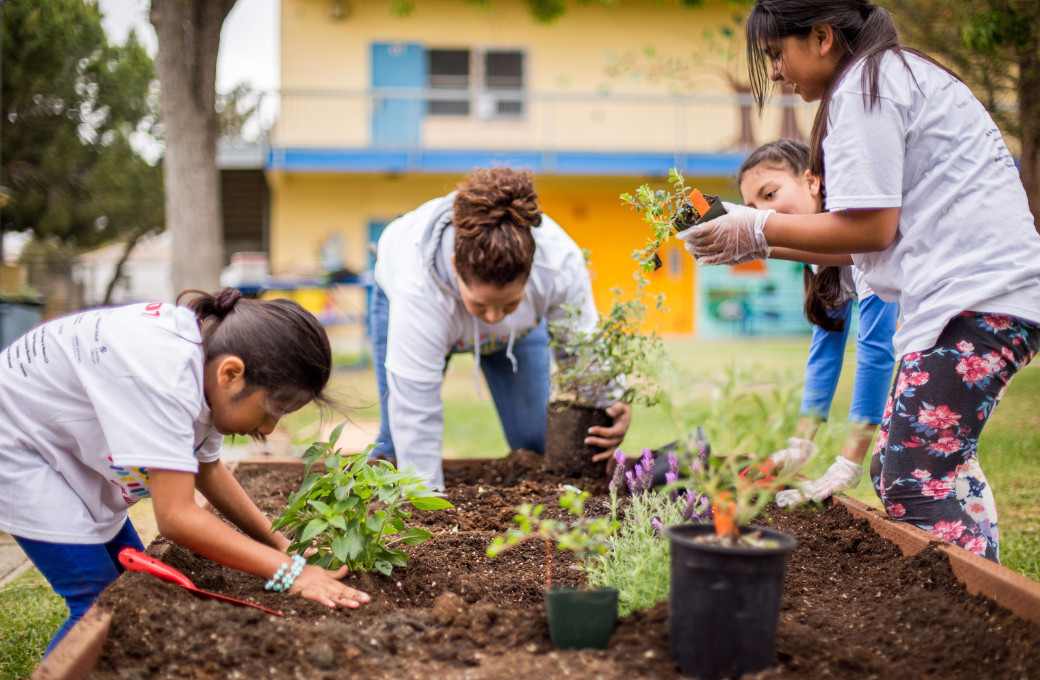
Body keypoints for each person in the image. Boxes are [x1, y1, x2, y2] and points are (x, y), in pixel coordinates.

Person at [678, 0, 1040, 562]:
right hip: (982, 295)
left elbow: (870, 229)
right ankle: (985, 582)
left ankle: (969, 599)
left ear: (822, 37)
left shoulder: (864, 88)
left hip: (978, 297)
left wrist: (756, 227)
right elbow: (868, 240)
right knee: (911, 463)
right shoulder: (887, 76)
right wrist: (754, 240)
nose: (775, 71)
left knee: (913, 479)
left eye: (776, 53)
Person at [0, 289, 370, 655]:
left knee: (135, 587)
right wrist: (289, 571)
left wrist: (281, 545)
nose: (270, 429)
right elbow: (177, 518)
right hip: (16, 443)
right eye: (272, 410)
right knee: (99, 607)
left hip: (52, 441)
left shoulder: (206, 367)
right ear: (231, 373)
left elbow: (207, 471)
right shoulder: (167, 378)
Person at [369, 167, 631, 489]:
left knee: (536, 442)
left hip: (517, 337)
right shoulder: (416, 288)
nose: (492, 318)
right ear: (455, 265)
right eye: (479, 305)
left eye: (509, 304)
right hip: (410, 303)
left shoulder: (559, 263)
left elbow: (583, 348)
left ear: (531, 271)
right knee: (397, 446)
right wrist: (425, 503)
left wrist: (609, 399)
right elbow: (414, 414)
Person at [737, 141, 898, 505]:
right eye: (752, 209)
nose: (763, 214)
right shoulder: (820, 259)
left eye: (770, 194)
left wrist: (849, 463)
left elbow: (876, 347)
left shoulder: (863, 232)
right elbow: (826, 347)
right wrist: (801, 445)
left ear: (812, 182)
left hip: (967, 318)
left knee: (903, 470)